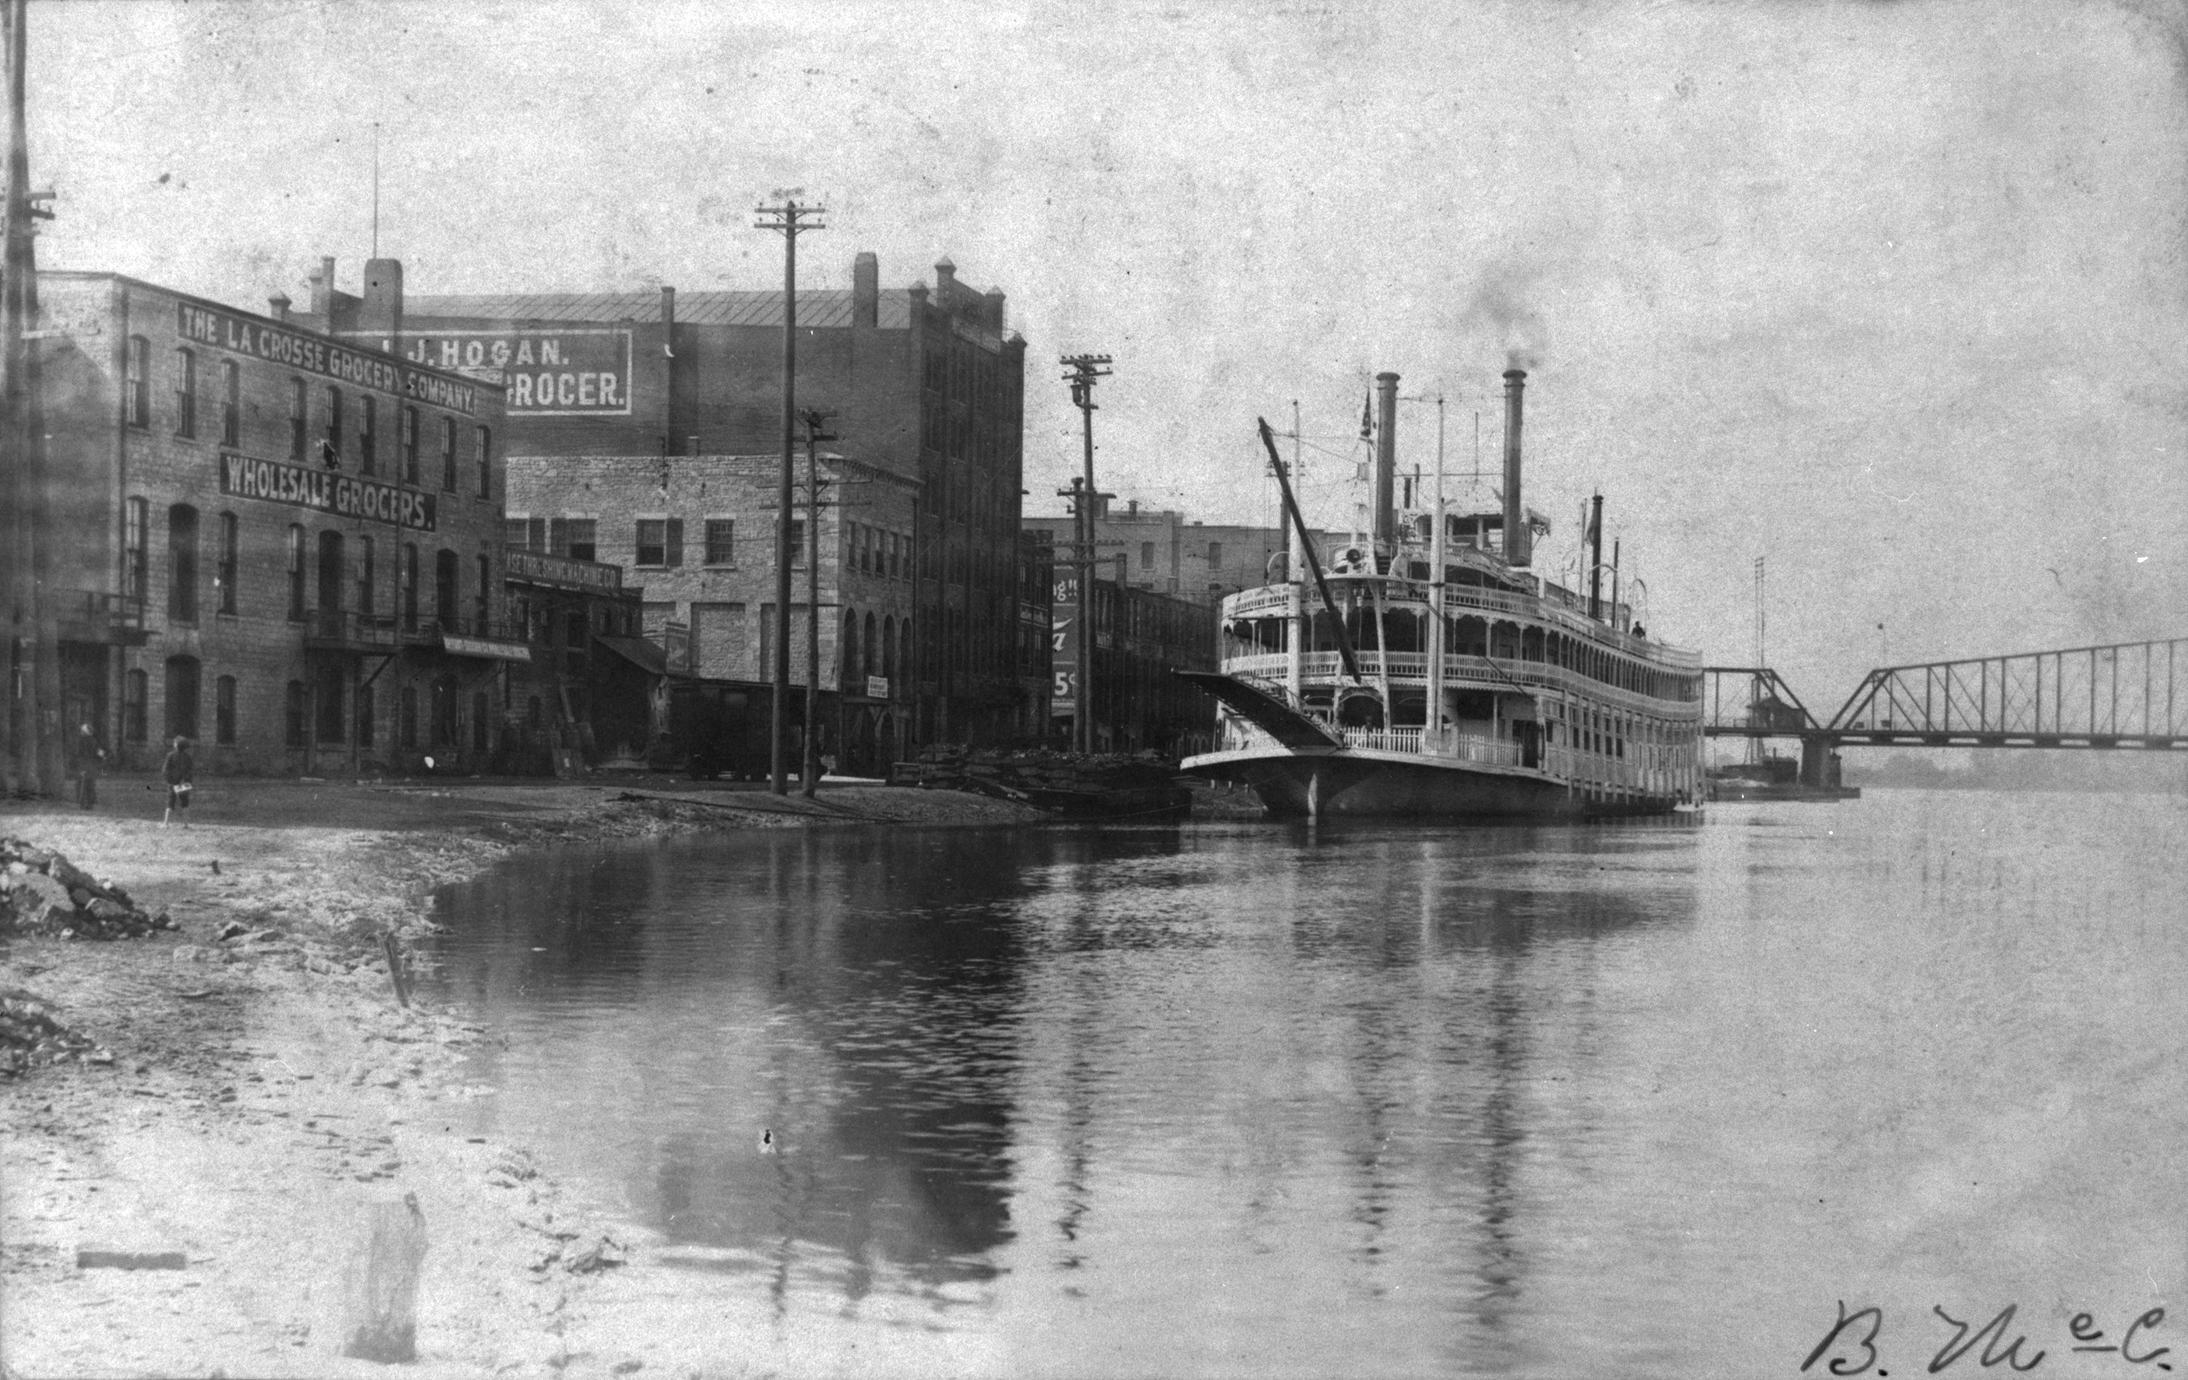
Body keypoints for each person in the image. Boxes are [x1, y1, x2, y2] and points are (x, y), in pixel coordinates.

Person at [160, 736, 195, 828]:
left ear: (176, 745)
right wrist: (187, 781)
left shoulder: (170, 755)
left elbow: (165, 770)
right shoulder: (188, 757)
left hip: (173, 782)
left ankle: (166, 823)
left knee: (170, 802)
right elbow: (190, 770)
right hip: (184, 782)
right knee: (185, 803)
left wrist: (169, 780)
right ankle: (186, 824)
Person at [72, 722, 105, 810]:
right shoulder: (94, 741)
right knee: (90, 784)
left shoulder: (81, 741)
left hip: (83, 765)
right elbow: (99, 753)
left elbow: (78, 753)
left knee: (82, 784)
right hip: (91, 765)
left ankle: (83, 803)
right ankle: (90, 804)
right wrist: (101, 759)